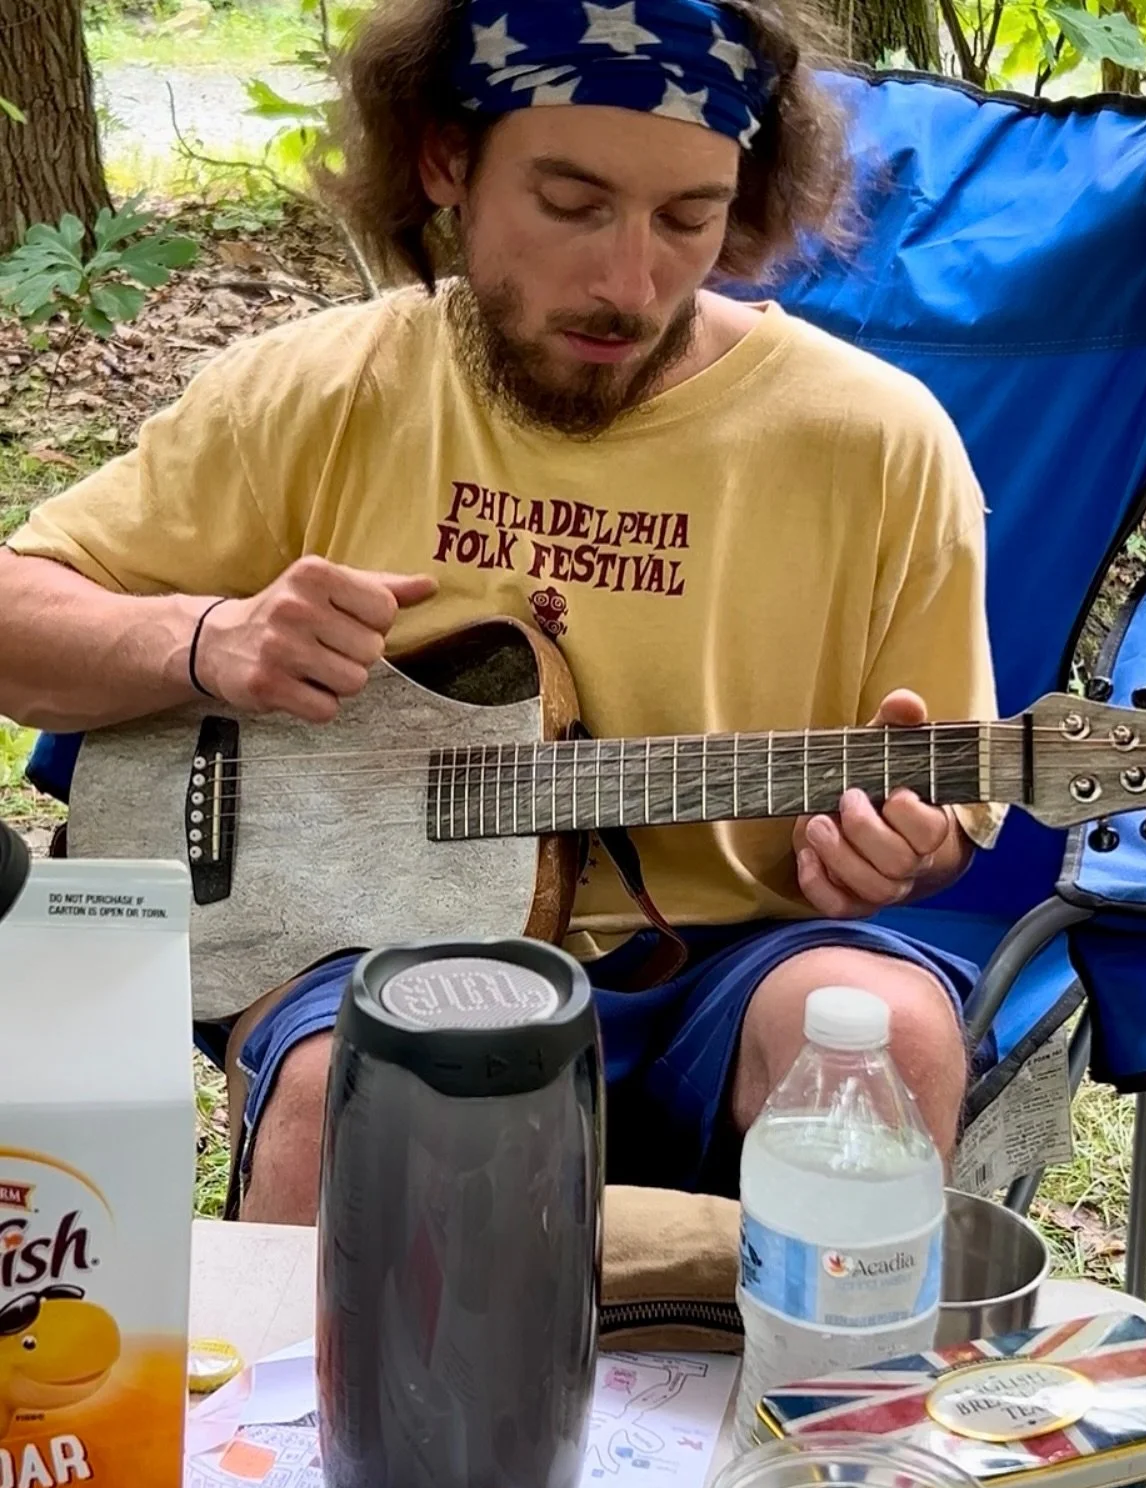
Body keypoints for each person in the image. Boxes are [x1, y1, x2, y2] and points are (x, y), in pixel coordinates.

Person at [0, 0, 1001, 1225]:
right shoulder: (322, 389)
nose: (630, 282)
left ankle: (830, 1409)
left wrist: (912, 841)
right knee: (355, 1091)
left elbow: (946, 797)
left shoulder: (878, 444)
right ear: (446, 164)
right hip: (373, 949)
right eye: (572, 206)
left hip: (738, 958)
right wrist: (210, 642)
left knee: (887, 1039)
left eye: (687, 217)